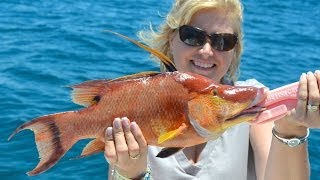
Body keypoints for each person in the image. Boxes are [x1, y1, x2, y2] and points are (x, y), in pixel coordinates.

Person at [104, 0, 320, 179]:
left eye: (223, 41)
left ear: (234, 51)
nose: (206, 51)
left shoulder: (253, 101)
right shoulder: (136, 103)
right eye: (192, 36)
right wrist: (131, 174)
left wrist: (292, 128)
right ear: (172, 39)